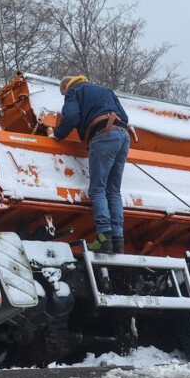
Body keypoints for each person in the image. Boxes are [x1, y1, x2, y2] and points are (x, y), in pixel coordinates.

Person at [52, 75, 131, 254]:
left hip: (104, 135)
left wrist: (57, 135)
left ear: (66, 86)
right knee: (113, 191)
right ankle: (117, 241)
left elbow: (71, 117)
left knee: (97, 190)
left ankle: (104, 239)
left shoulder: (74, 91)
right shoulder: (105, 90)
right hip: (123, 136)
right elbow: (125, 117)